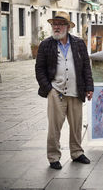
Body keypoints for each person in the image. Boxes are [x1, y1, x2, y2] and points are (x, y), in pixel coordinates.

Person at [35, 11, 94, 170]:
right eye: (54, 24)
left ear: (68, 27)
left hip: (76, 91)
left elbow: (86, 67)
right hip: (56, 92)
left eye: (60, 24)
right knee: (54, 128)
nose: (56, 27)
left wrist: (89, 87)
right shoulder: (46, 44)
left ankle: (76, 153)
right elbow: (39, 69)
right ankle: (54, 157)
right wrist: (49, 89)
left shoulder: (79, 43)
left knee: (76, 126)